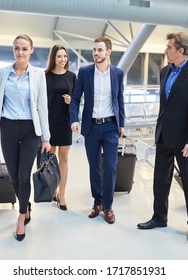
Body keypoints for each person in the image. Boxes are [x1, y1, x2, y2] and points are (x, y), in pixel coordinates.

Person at [137, 32, 188, 243]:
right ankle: (159, 217)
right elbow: (165, 105)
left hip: (185, 140)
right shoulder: (164, 71)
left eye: (169, 47)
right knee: (160, 180)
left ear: (181, 50)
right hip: (164, 136)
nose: (166, 51)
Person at [0, 34, 51, 242]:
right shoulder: (3, 73)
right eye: (17, 48)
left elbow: (42, 107)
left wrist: (46, 138)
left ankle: (21, 216)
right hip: (7, 127)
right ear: (13, 50)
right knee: (13, 177)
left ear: (31, 50)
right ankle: (27, 205)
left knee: (24, 176)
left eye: (24, 48)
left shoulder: (38, 74)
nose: (20, 52)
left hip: (30, 129)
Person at [70, 36, 125, 224]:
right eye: (94, 50)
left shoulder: (117, 73)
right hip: (91, 127)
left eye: (100, 50)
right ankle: (98, 202)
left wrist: (122, 125)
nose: (96, 53)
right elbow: (75, 98)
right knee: (95, 167)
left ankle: (108, 206)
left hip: (110, 126)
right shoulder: (85, 72)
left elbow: (119, 100)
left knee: (110, 166)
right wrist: (74, 119)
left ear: (108, 52)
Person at [45, 44, 77, 211]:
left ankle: (62, 194)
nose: (63, 59)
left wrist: (71, 101)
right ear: (53, 58)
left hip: (65, 121)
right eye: (59, 56)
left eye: (65, 56)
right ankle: (52, 188)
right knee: (51, 156)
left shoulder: (72, 76)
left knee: (63, 156)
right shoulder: (45, 76)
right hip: (49, 122)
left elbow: (78, 100)